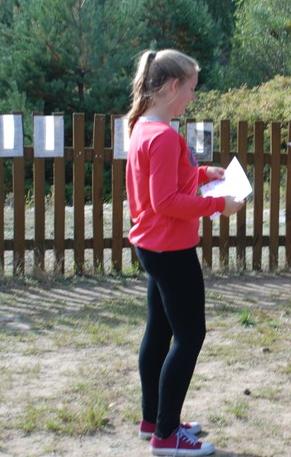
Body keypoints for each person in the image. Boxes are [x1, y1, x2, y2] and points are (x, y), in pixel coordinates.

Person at [125, 48, 244, 456]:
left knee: (160, 330)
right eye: (191, 89)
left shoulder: (143, 127)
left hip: (151, 245)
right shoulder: (163, 136)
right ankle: (166, 435)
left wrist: (202, 174)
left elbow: (165, 182)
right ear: (173, 86)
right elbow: (166, 202)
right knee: (190, 336)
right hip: (171, 249)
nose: (193, 97)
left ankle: (153, 420)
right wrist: (219, 204)